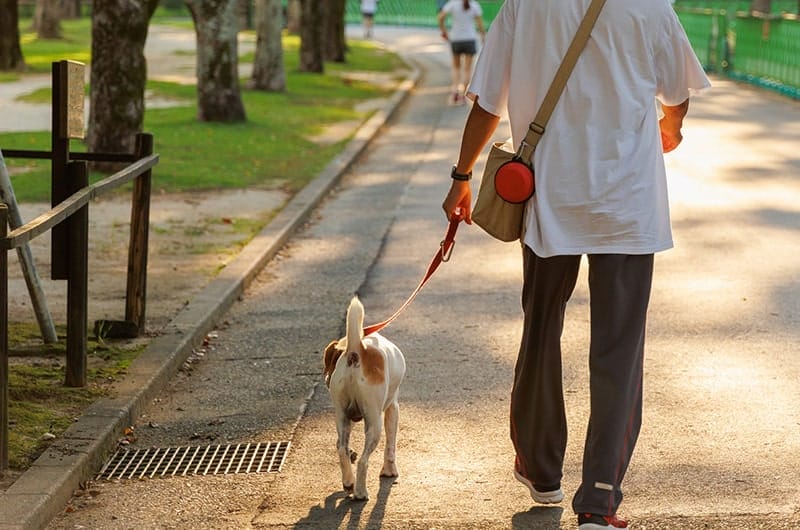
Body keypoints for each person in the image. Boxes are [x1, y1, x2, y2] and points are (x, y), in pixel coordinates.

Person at [441, 1, 710, 529]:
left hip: (549, 199)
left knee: (541, 330)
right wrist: (671, 127)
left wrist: (461, 176)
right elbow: (676, 94)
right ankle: (599, 501)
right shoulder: (649, 5)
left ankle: (542, 472)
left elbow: (487, 104)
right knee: (618, 348)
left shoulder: (522, 5)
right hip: (628, 204)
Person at [438, 0, 485, 105]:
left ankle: (455, 91)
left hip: (456, 39)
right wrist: (483, 35)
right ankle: (462, 95)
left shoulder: (453, 3)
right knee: (467, 69)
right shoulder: (474, 4)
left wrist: (444, 31)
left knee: (456, 67)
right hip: (470, 39)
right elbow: (480, 23)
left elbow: (440, 17)